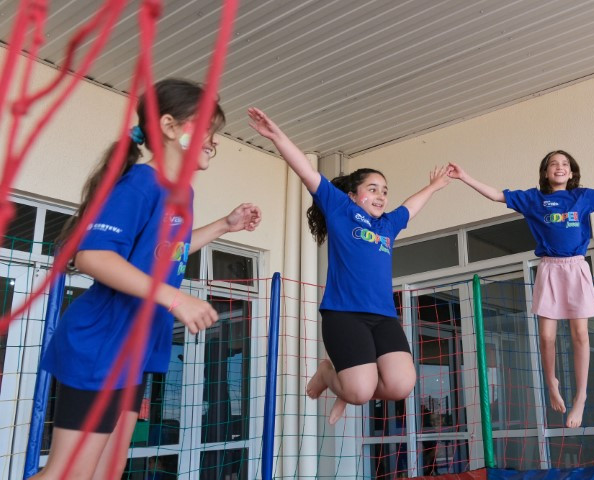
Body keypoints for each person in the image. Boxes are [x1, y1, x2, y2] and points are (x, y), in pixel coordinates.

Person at [34, 79, 261, 479]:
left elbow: (171, 249)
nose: (214, 140)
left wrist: (225, 225)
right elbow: (92, 255)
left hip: (133, 351)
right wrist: (175, 298)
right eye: (206, 128)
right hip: (103, 344)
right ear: (170, 127)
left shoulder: (181, 194)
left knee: (109, 469)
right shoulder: (141, 184)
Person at [248, 107, 450, 425]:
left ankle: (349, 385)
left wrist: (435, 186)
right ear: (354, 195)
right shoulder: (341, 209)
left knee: (401, 385)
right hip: (344, 314)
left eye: (385, 191)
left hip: (383, 316)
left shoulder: (388, 225)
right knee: (360, 392)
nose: (381, 195)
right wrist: (277, 137)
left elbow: (411, 205)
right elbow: (306, 171)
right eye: (373, 189)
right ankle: (330, 374)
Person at [448, 150, 594, 428]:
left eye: (565, 164)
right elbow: (497, 195)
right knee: (546, 336)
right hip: (550, 268)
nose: (559, 167)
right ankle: (551, 382)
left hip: (576, 267)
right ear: (545, 172)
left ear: (572, 172)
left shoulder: (583, 196)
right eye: (553, 164)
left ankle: (580, 397)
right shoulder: (534, 199)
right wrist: (464, 177)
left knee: (580, 334)